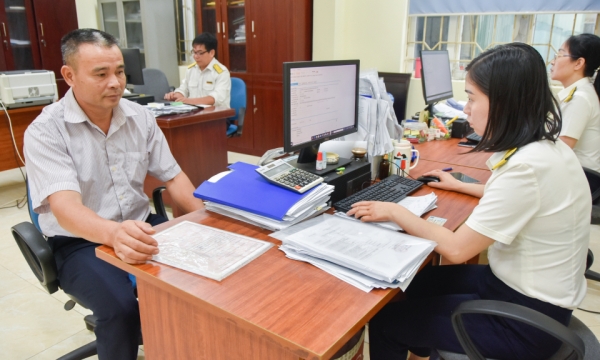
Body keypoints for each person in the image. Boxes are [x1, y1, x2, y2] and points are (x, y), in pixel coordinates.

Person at [348, 43, 591, 360]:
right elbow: (517, 197)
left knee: (385, 322)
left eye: (473, 98)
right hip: (518, 290)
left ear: (503, 102)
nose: (465, 109)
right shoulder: (545, 149)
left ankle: (420, 340)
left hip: (524, 324)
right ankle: (426, 346)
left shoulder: (528, 167)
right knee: (411, 285)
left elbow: (457, 249)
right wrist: (462, 187)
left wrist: (394, 211)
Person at [24, 29, 205, 360]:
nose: (116, 82)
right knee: (120, 310)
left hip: (138, 223)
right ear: (69, 75)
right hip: (79, 241)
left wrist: (207, 218)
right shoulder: (46, 130)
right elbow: (65, 210)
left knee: (202, 281)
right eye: (101, 74)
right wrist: (114, 233)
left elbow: (174, 177)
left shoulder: (140, 117)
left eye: (120, 71)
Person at [550, 33, 600, 172]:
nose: (553, 62)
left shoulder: (580, 98)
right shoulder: (580, 93)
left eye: (559, 55)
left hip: (581, 178)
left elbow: (561, 150)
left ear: (578, 63)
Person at [164, 32, 231, 107]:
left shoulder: (221, 72)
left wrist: (188, 101)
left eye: (200, 53)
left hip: (215, 115)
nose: (196, 56)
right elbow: (184, 89)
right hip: (193, 113)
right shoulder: (191, 70)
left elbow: (215, 98)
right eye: (194, 52)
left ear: (212, 53)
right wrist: (175, 95)